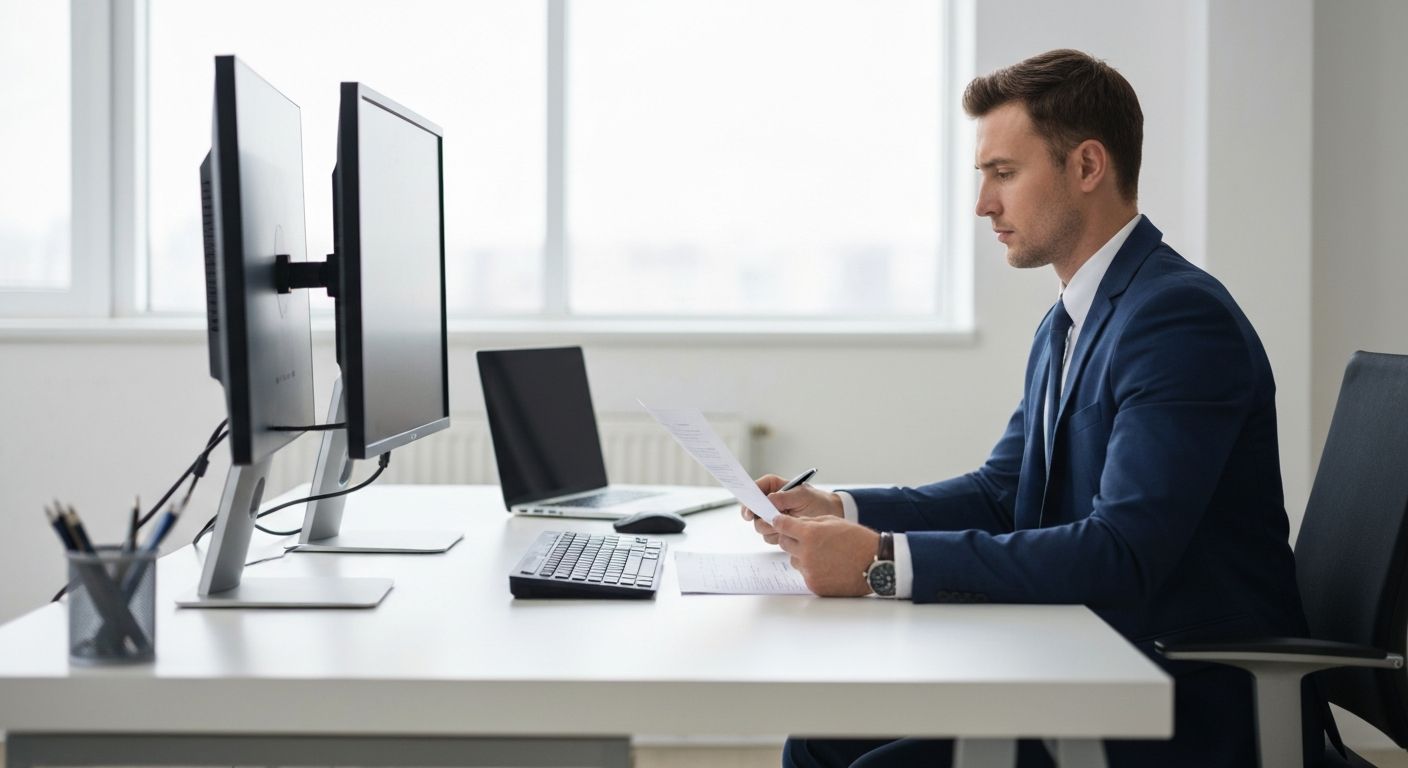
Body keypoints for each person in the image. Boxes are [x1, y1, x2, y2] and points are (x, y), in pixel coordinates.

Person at [744, 49, 1328, 768]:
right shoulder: (1071, 319)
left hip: (1183, 694)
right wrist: (843, 509)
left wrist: (881, 564)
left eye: (1004, 173)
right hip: (1087, 662)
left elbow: (1120, 553)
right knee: (818, 742)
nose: (983, 204)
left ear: (1087, 167)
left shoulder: (1177, 319)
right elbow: (1002, 492)